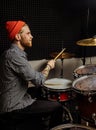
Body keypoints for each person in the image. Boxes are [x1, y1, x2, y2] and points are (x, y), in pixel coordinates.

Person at [0, 20, 63, 130]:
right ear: (18, 37)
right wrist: (48, 66)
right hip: (13, 107)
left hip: (15, 97)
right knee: (58, 107)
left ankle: (39, 123)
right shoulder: (14, 56)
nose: (32, 36)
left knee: (40, 92)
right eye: (28, 33)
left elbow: (30, 76)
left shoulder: (13, 53)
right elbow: (39, 81)